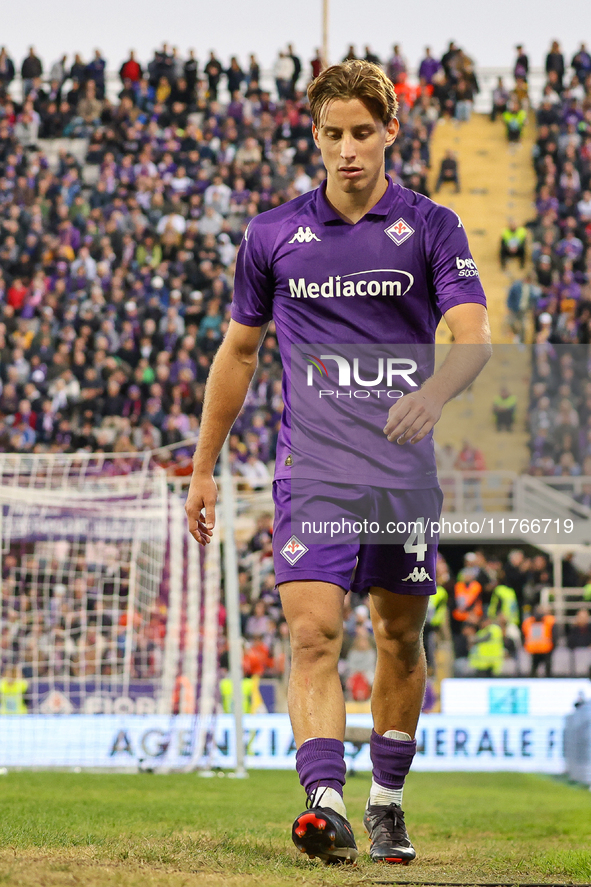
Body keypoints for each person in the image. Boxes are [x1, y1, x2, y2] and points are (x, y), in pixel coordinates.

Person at [185, 59, 490, 865]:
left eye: (361, 132)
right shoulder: (272, 233)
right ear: (314, 137)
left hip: (400, 474)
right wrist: (204, 464)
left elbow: (472, 339)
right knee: (312, 633)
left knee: (397, 636)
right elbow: (240, 352)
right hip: (311, 469)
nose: (347, 149)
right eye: (332, 135)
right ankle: (325, 804)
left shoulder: (432, 226)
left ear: (390, 130)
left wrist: (433, 395)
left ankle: (386, 801)